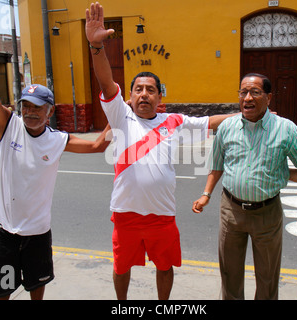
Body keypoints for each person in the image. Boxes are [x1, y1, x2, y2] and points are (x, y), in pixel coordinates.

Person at [85, 2, 236, 300]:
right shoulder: (120, 116)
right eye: (138, 89)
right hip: (126, 213)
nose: (143, 94)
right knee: (121, 266)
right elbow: (105, 79)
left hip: (162, 215)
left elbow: (211, 121)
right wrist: (96, 47)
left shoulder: (174, 121)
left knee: (165, 266)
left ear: (159, 96)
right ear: (129, 96)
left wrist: (246, 112)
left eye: (150, 90)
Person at [0, 16, 111, 300]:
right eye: (25, 106)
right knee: (1, 293)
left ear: (50, 112)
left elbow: (97, 146)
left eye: (37, 107)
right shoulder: (9, 125)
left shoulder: (57, 140)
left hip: (38, 233)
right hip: (4, 231)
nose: (30, 112)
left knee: (36, 290)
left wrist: (117, 115)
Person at [192, 73, 297, 300]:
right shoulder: (227, 127)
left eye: (255, 92)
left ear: (269, 97)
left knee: (267, 274)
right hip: (231, 210)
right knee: (229, 272)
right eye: (243, 92)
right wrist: (206, 194)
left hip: (267, 213)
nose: (248, 98)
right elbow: (216, 165)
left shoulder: (286, 129)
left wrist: (281, 173)